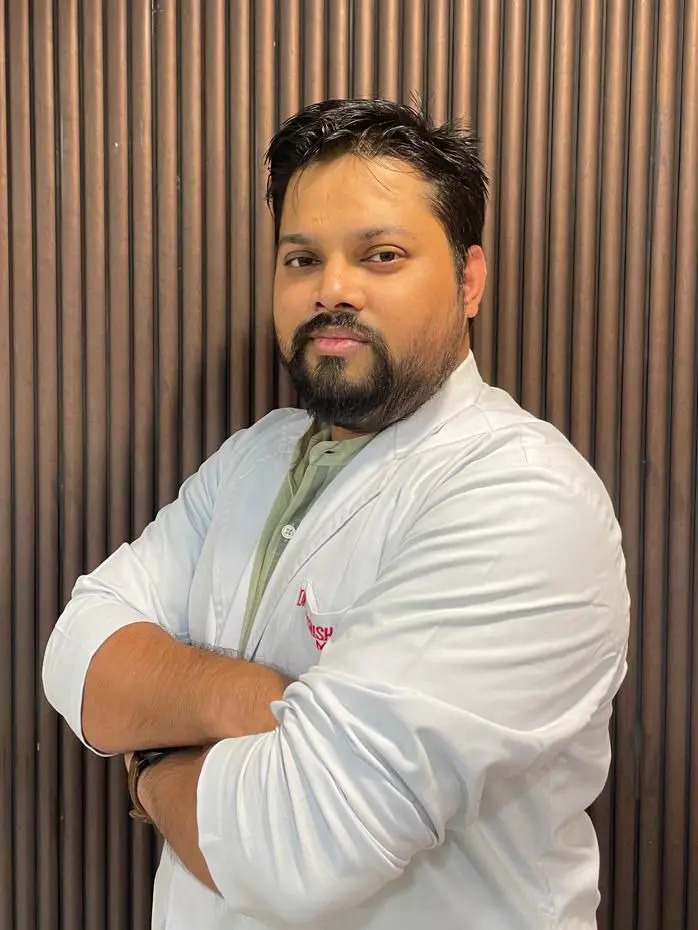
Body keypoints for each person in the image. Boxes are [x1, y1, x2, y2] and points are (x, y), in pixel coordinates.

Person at [42, 98, 629, 930]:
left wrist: (150, 762)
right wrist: (251, 700)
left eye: (381, 255)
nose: (332, 290)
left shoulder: (522, 498)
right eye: (302, 259)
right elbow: (77, 649)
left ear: (469, 280)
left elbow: (296, 847)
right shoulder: (254, 457)